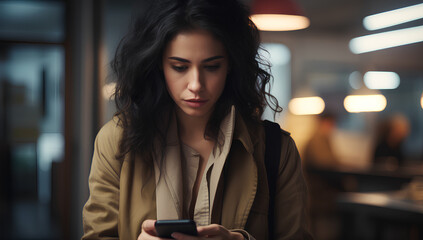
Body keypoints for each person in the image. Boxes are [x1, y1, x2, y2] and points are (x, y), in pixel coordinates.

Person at [82, 0, 312, 239]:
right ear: (159, 64)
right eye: (180, 67)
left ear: (231, 65)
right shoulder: (117, 140)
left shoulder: (276, 150)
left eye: (212, 67)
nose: (196, 85)